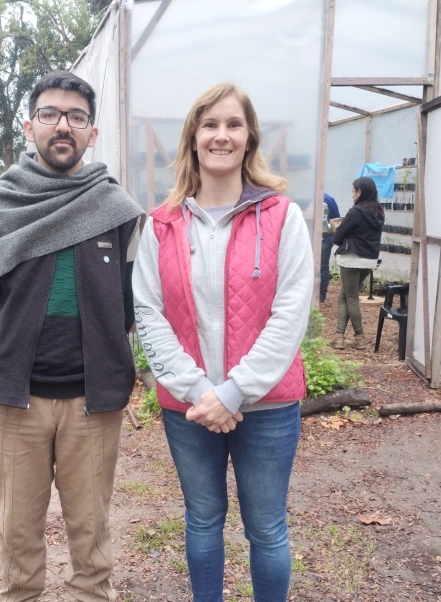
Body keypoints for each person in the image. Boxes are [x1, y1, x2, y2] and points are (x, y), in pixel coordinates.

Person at [0, 71, 144, 602]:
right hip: (16, 400)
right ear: (29, 125)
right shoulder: (1, 203)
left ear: (93, 131)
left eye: (76, 117)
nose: (63, 126)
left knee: (91, 536)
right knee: (18, 534)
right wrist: (15, 339)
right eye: (50, 115)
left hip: (93, 400)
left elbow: (132, 302)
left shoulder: (116, 209)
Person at [132, 83, 313, 602]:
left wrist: (233, 393)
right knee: (203, 521)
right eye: (209, 125)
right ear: (192, 139)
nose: (221, 135)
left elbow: (290, 312)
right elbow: (148, 310)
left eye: (233, 124)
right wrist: (197, 390)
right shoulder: (162, 226)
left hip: (267, 406)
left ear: (249, 137)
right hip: (189, 408)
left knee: (267, 529)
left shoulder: (282, 217)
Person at [329, 177, 385, 350]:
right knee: (344, 296)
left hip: (351, 258)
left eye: (353, 191)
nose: (352, 194)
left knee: (350, 297)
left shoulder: (356, 212)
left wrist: (336, 228)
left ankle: (359, 338)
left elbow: (338, 238)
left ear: (360, 192)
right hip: (369, 261)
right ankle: (339, 336)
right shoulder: (379, 212)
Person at [320, 193, 341, 302]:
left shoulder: (327, 199)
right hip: (313, 238)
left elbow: (336, 220)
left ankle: (321, 295)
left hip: (325, 239)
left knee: (323, 266)